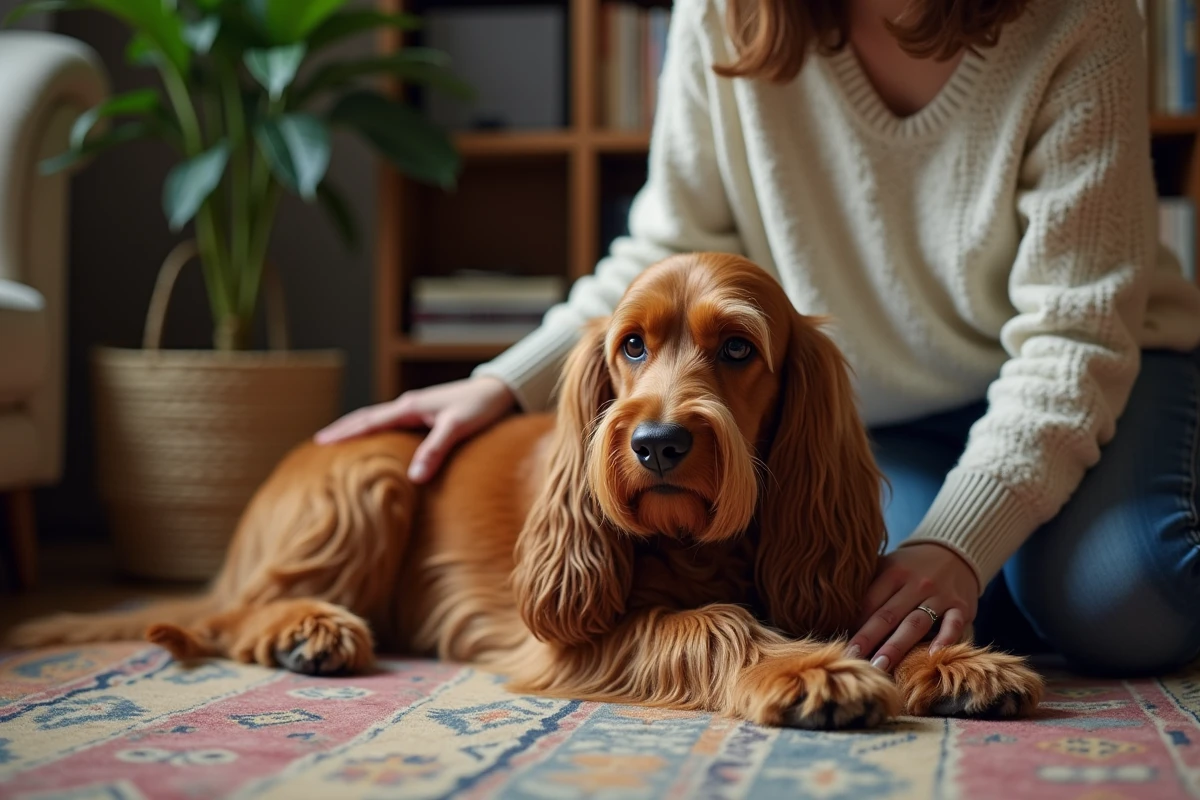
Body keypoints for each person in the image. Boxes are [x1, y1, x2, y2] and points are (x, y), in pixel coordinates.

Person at [317, 0, 1200, 676]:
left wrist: (960, 543)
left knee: (1127, 602)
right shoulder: (729, 12)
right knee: (835, 599)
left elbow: (1074, 335)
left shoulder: (1083, 18)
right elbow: (667, 245)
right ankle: (1018, 576)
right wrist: (504, 384)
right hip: (869, 411)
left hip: (1091, 372)